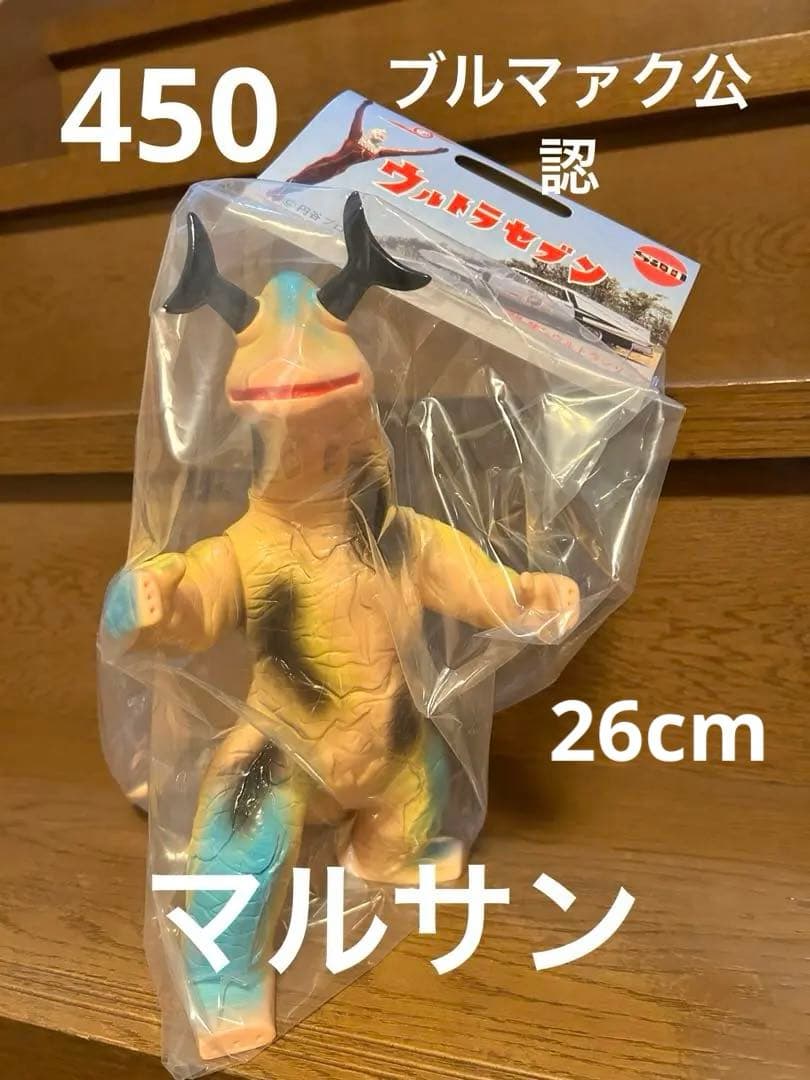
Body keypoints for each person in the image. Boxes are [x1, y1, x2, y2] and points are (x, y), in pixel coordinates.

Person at [287, 97, 448, 185]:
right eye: (378, 133)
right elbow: (357, 118)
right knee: (296, 179)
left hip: (335, 171)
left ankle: (283, 193)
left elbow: (406, 152)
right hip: (327, 164)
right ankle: (281, 190)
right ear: (369, 133)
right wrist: (363, 106)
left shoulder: (377, 152)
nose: (380, 136)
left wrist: (433, 151)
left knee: (302, 186)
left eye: (382, 136)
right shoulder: (356, 137)